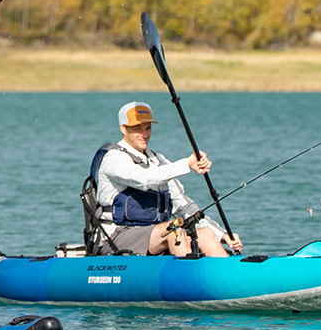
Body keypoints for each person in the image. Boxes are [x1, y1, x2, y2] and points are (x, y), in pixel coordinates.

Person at [94, 101, 242, 258]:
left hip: (155, 235)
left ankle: (232, 279)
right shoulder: (114, 158)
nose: (144, 134)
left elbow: (184, 207)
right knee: (173, 230)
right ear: (123, 129)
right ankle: (189, 279)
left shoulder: (158, 160)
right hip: (116, 236)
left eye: (148, 128)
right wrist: (187, 163)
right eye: (138, 129)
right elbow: (143, 179)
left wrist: (222, 234)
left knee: (205, 234)